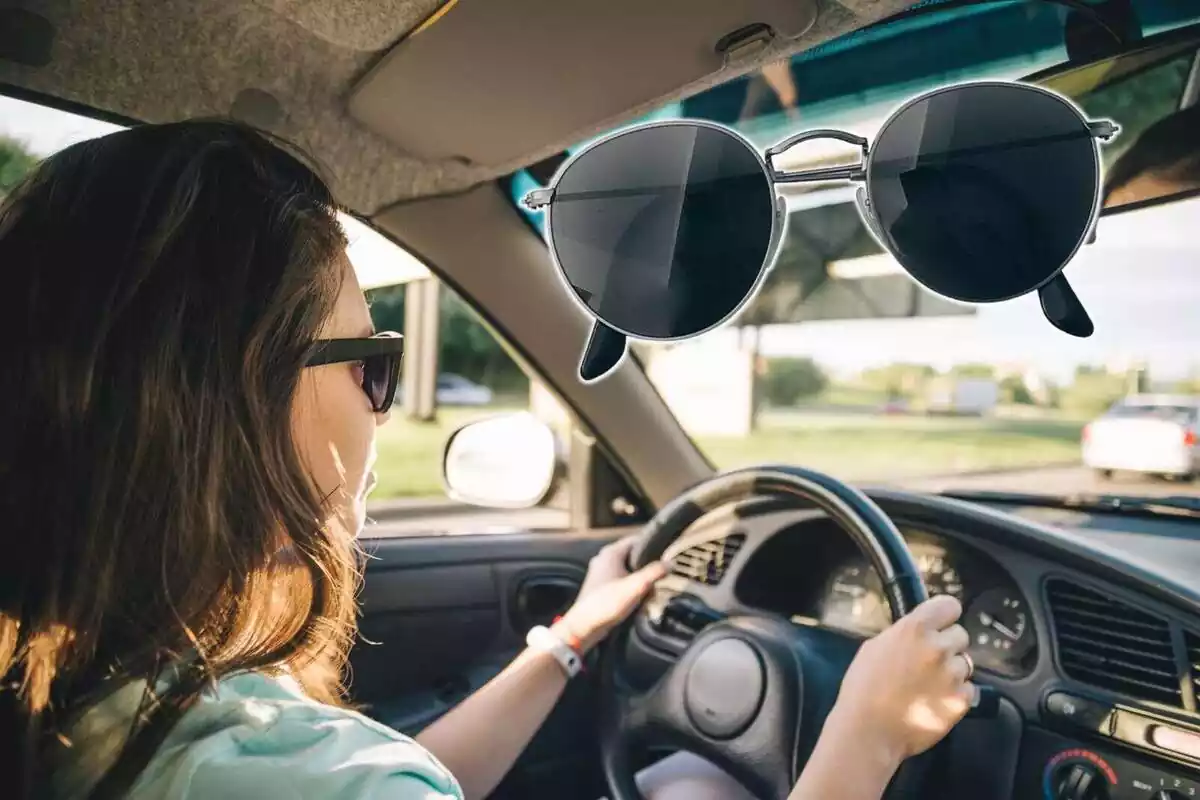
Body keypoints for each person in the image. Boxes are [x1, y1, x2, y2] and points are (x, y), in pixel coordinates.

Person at [0, 120, 975, 800]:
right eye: (372, 363)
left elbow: (411, 776)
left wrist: (571, 634)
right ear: (232, 402)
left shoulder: (114, 695)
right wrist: (868, 735)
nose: (382, 408)